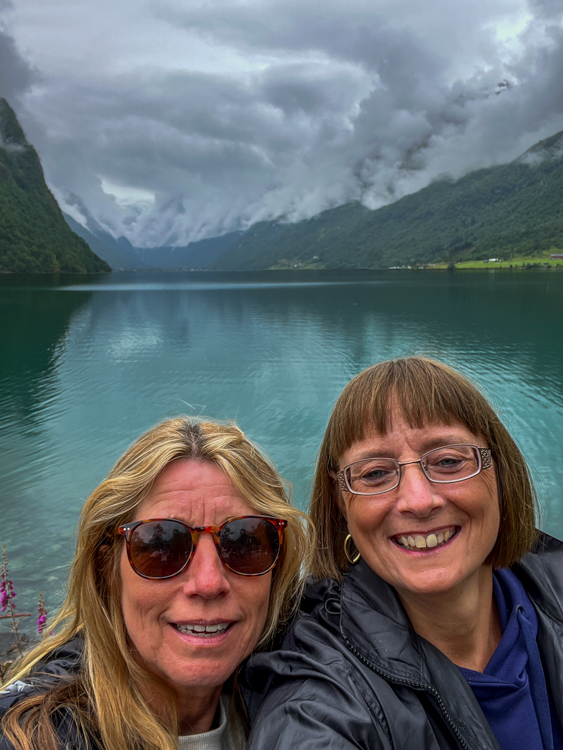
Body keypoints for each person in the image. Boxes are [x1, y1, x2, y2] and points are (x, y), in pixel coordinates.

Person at [245, 357, 563, 750]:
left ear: (499, 471)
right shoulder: (316, 699)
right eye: (375, 473)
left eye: (448, 461)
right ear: (340, 503)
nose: (418, 500)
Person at [0, 417, 312, 750]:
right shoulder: (33, 736)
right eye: (162, 546)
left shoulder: (303, 695)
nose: (208, 583)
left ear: (277, 569)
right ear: (107, 569)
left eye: (244, 543)